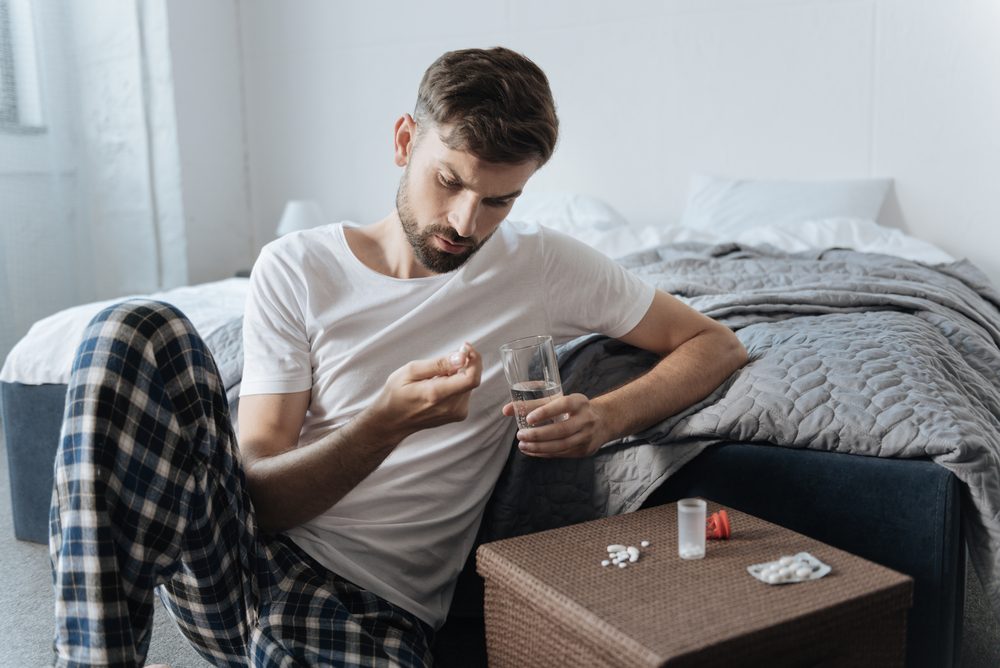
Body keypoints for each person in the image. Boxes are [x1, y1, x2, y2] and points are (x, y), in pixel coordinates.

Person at [50, 47, 747, 667]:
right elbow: (260, 496)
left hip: (371, 608)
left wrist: (604, 415)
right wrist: (385, 423)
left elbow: (714, 342)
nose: (466, 224)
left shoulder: (542, 266)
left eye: (499, 201)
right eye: (449, 182)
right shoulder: (298, 266)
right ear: (404, 140)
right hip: (238, 561)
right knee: (134, 328)